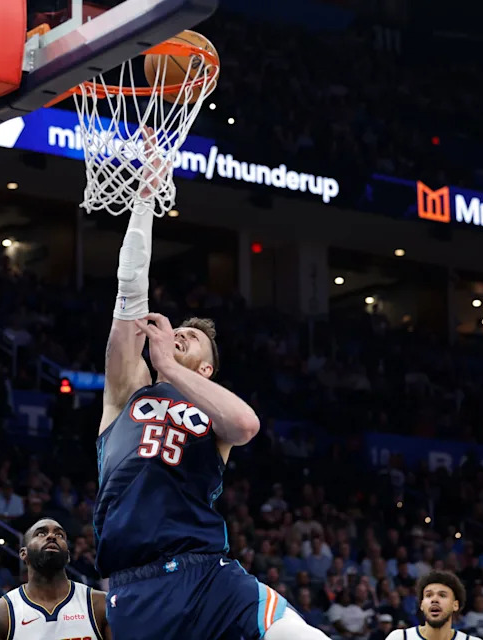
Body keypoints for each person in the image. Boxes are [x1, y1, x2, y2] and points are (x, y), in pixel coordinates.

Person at [92, 145, 329, 640]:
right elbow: (128, 291)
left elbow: (246, 426)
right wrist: (144, 200)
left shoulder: (211, 409)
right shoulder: (126, 392)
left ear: (204, 368)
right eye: (177, 329)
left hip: (211, 573)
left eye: (191, 339)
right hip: (137, 585)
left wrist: (169, 368)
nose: (179, 333)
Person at [0, 518, 108, 640]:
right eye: (40, 534)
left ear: (68, 556)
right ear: (23, 553)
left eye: (59, 535)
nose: (51, 536)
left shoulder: (99, 603)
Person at [386, 572, 479, 640]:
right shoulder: (400, 638)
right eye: (429, 595)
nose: (434, 600)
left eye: (442, 595)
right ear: (421, 605)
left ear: (455, 605)